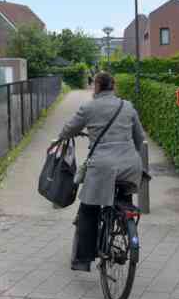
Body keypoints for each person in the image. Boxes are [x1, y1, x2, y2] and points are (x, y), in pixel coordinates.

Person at [58, 72, 144, 272]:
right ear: (113, 86)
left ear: (96, 86)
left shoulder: (89, 107)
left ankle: (83, 259)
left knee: (89, 209)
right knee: (124, 199)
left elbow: (69, 129)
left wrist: (60, 137)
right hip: (130, 165)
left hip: (102, 167)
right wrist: (132, 156)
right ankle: (124, 225)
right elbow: (139, 138)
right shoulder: (128, 106)